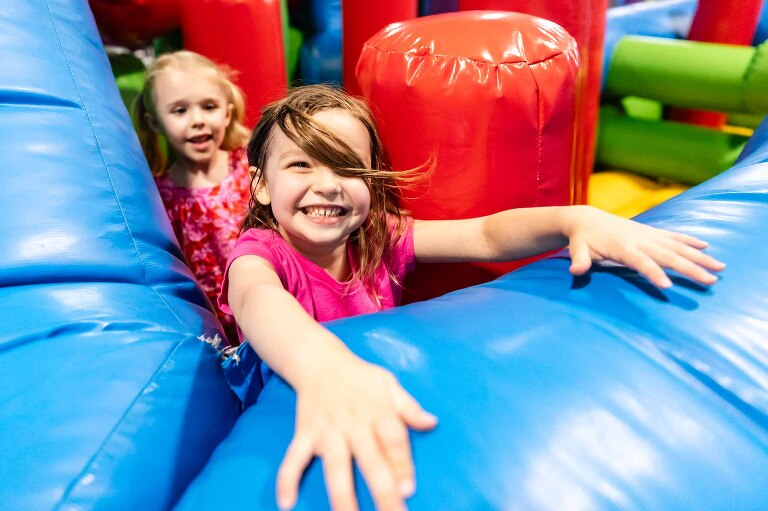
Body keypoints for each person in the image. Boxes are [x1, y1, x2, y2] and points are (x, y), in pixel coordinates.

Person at [219, 84, 725, 511]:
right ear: (261, 186)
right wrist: (322, 368)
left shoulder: (379, 237)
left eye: (347, 168)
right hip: (295, 404)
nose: (327, 185)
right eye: (302, 165)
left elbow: (485, 235)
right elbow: (257, 302)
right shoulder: (261, 255)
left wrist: (575, 219)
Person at [133, 51, 251, 344]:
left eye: (209, 106)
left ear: (227, 111)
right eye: (179, 111)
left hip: (268, 302)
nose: (197, 120)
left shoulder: (249, 167)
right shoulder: (160, 195)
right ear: (155, 123)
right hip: (209, 326)